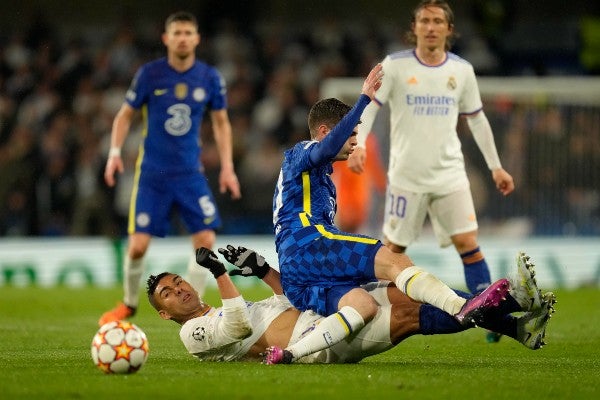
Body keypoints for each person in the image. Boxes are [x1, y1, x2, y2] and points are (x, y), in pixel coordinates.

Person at [270, 62, 511, 364]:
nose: (356, 140)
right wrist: (363, 101)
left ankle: (290, 354)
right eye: (352, 133)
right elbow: (325, 147)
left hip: (297, 274)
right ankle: (458, 306)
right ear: (324, 131)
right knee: (396, 262)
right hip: (308, 245)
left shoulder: (321, 180)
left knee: (363, 304)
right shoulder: (302, 151)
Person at [348, 0, 514, 298]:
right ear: (414, 28)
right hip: (406, 177)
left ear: (449, 29)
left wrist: (496, 166)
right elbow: (369, 106)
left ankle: (491, 313)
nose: (431, 27)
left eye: (438, 21)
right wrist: (359, 144)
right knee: (393, 251)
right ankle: (376, 311)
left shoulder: (462, 71)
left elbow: (477, 120)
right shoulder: (395, 66)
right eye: (424, 21)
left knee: (468, 243)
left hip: (449, 175)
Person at [146, 245, 556, 364]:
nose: (179, 289)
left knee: (407, 292)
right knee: (412, 317)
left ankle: (519, 328)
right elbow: (237, 326)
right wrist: (220, 272)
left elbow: (284, 302)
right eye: (168, 292)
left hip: (318, 313)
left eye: (177, 281)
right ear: (164, 313)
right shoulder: (192, 335)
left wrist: (262, 270)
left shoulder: (227, 306)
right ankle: (519, 299)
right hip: (324, 343)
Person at [99, 11, 241, 327]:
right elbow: (124, 116)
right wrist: (114, 152)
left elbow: (221, 122)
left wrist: (228, 167)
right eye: (176, 32)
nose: (182, 38)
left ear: (197, 38)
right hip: (153, 174)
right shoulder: (150, 75)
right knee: (137, 246)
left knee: (205, 239)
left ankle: (197, 312)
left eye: (188, 32)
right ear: (166, 38)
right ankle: (129, 304)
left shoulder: (209, 77)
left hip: (190, 173)